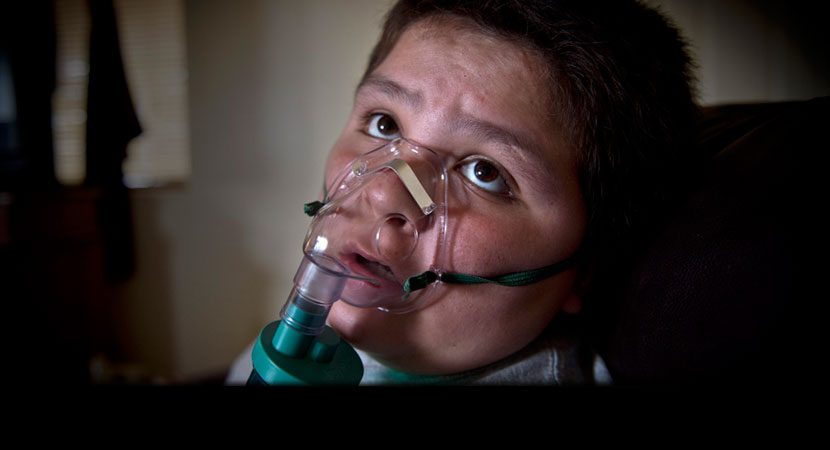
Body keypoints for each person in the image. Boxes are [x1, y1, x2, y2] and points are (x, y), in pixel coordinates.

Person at [227, 0, 697, 385]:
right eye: (384, 124)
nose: (382, 190)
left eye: (483, 172)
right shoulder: (292, 349)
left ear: (585, 268)